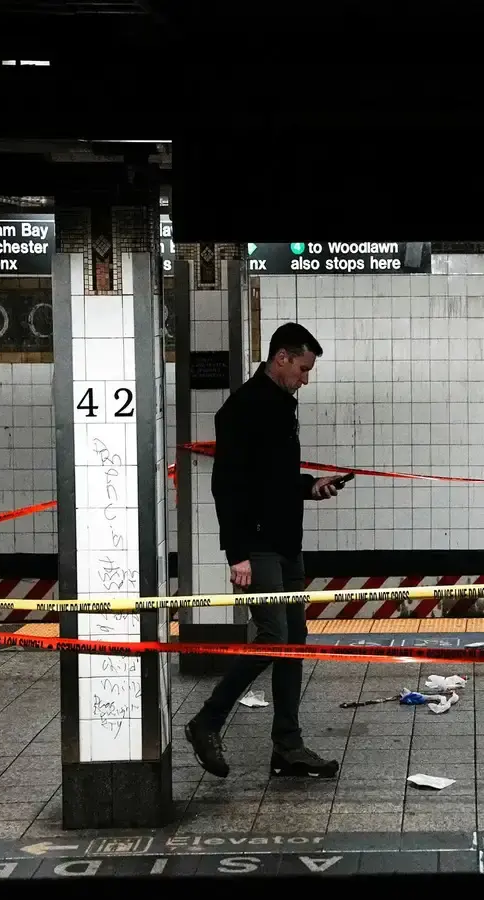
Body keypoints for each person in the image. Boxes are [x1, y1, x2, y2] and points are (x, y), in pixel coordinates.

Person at [184, 322, 346, 779]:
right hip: (256, 547)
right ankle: (206, 721)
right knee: (274, 638)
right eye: (302, 368)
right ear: (281, 358)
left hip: (284, 543)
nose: (305, 378)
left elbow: (269, 481)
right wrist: (237, 552)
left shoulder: (280, 405)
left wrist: (309, 488)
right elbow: (228, 485)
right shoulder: (243, 408)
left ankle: (288, 747)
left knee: (293, 643)